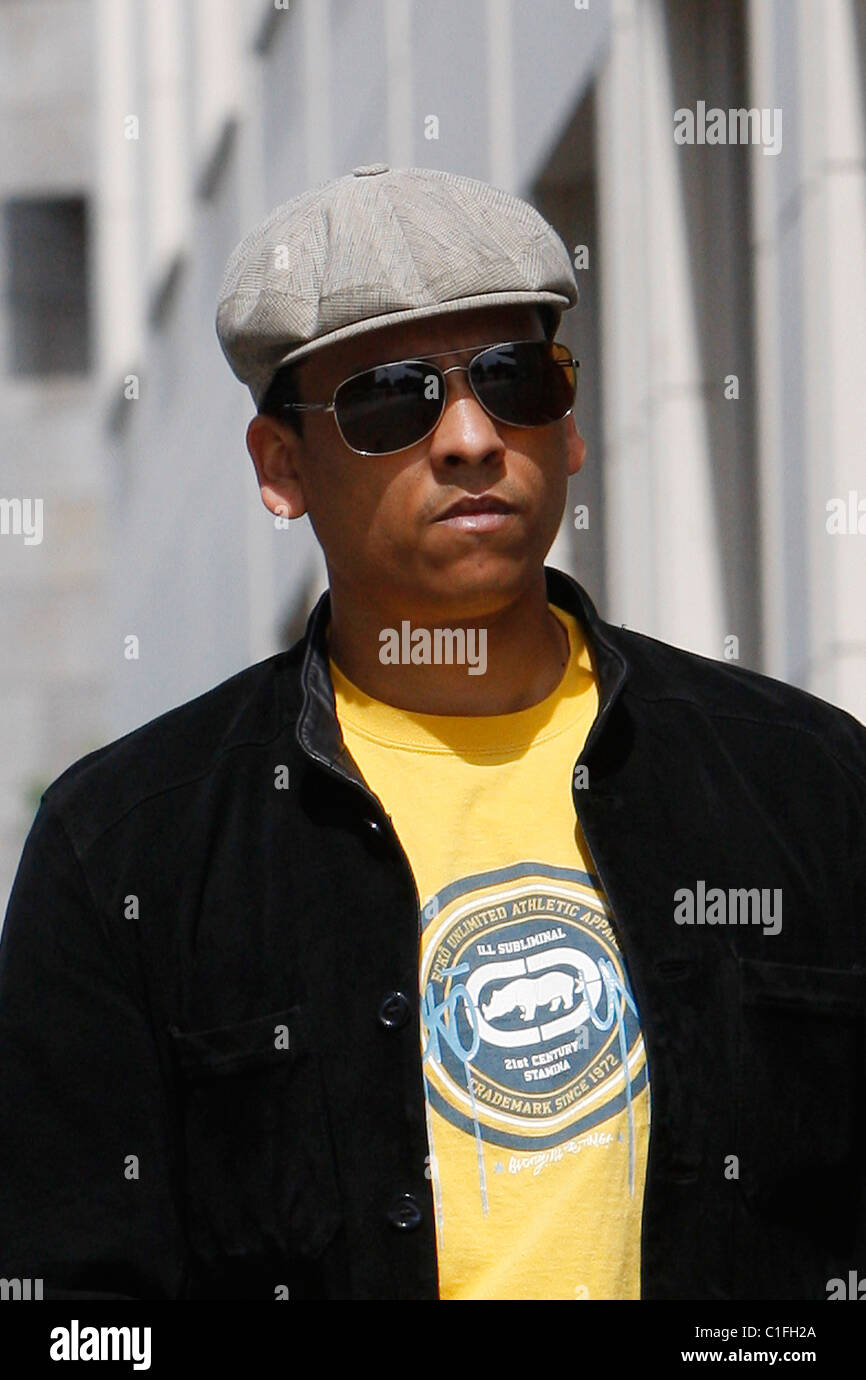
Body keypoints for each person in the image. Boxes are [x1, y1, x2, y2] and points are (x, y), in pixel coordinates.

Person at [0, 164, 864, 1302]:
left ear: (570, 427)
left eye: (514, 381)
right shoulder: (122, 850)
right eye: (388, 398)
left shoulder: (805, 782)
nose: (467, 435)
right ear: (281, 468)